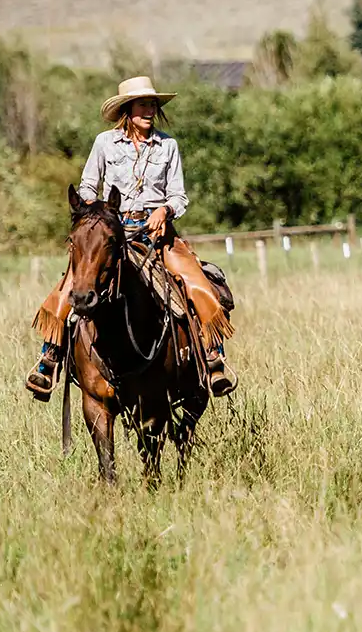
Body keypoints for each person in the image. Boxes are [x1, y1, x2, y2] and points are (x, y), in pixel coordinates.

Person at [26, 76, 232, 399]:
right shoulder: (104, 144)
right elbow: (87, 187)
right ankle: (48, 358)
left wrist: (165, 210)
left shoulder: (168, 146)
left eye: (152, 104)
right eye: (143, 104)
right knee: (72, 283)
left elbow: (180, 196)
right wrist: (97, 212)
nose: (149, 110)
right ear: (127, 109)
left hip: (157, 235)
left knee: (195, 281)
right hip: (112, 231)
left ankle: (212, 356)